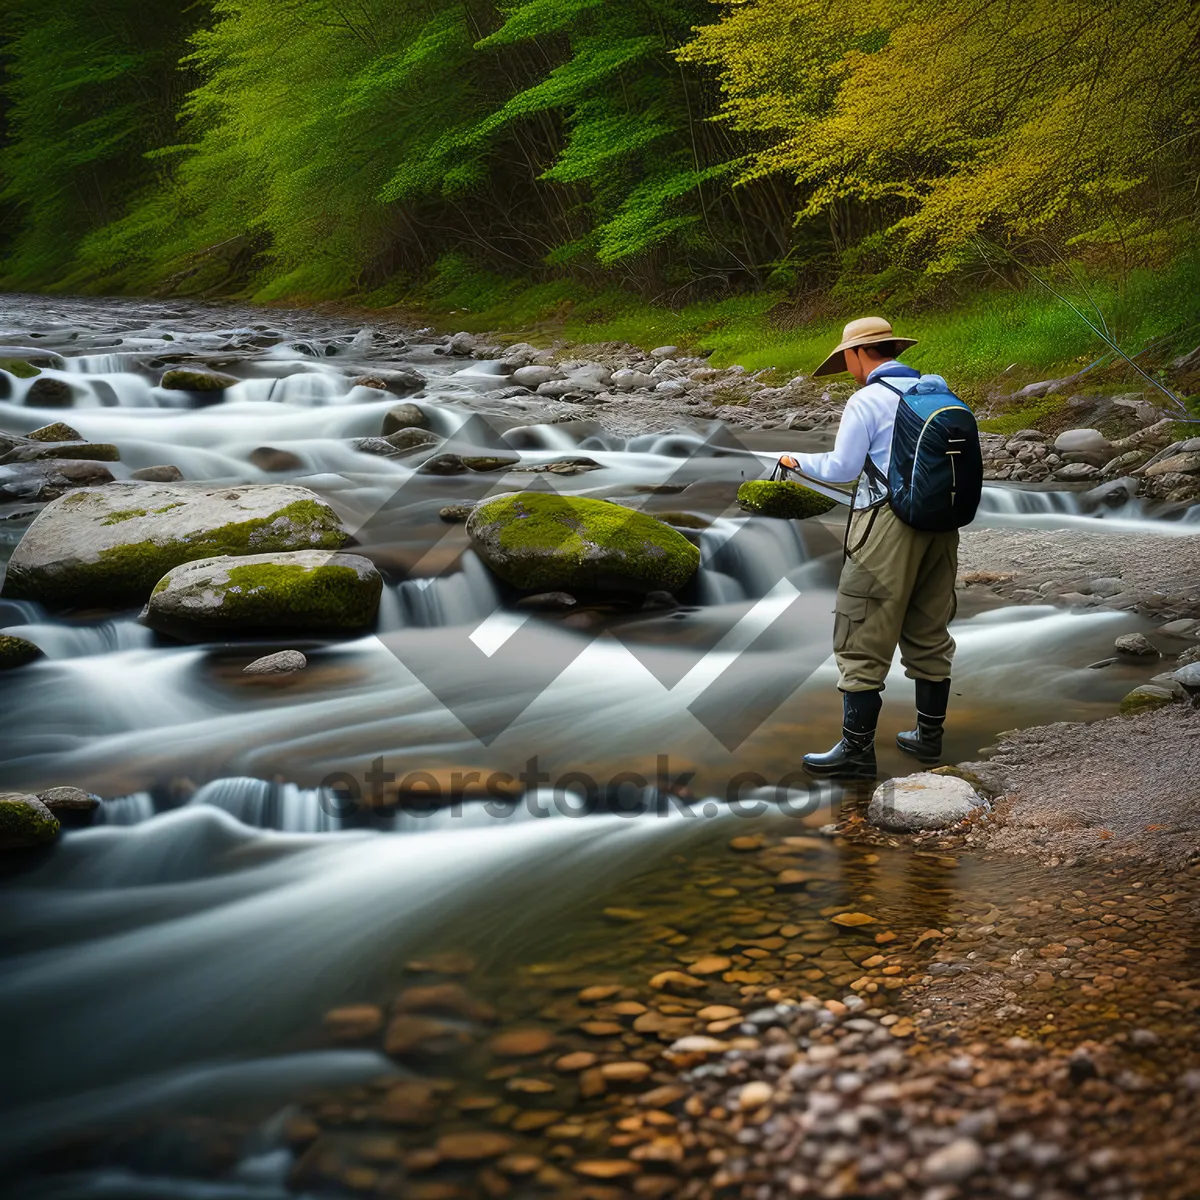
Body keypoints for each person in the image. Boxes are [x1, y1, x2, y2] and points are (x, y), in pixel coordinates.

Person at [782, 316, 959, 779]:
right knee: (928, 627)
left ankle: (857, 752)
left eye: (847, 360)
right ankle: (929, 738)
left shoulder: (867, 400)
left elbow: (842, 468)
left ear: (860, 354)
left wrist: (796, 459)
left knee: (860, 631)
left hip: (885, 525)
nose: (848, 369)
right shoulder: (937, 394)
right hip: (941, 526)